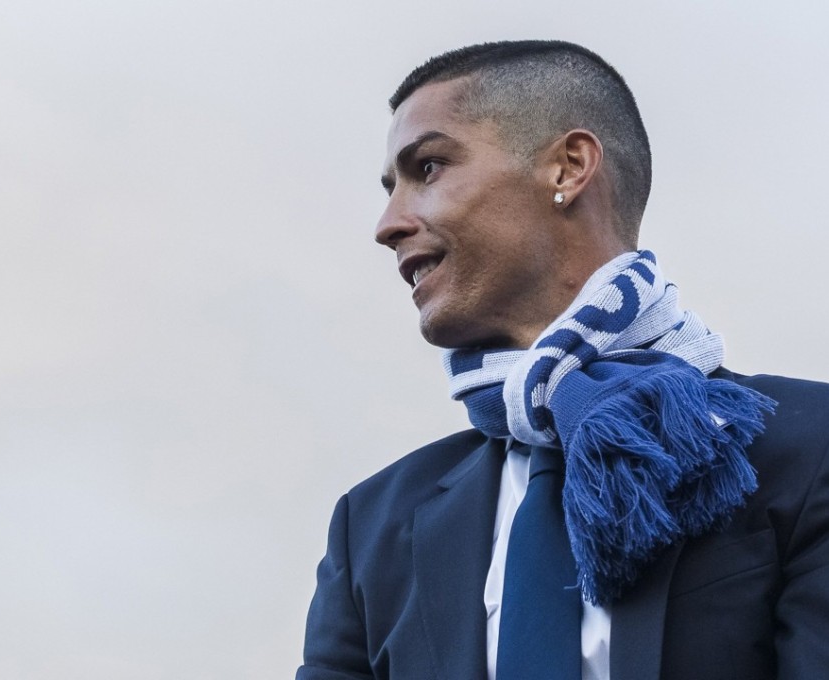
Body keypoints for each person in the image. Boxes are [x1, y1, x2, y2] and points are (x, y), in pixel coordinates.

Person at [297, 40, 829, 680]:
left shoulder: (809, 447)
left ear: (568, 168)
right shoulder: (370, 526)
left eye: (428, 168)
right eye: (391, 188)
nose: (387, 224)